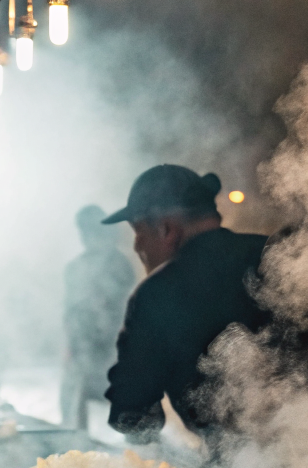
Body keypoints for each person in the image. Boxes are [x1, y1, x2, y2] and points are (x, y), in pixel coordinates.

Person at [103, 165, 271, 445]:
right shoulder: (280, 256)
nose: (136, 246)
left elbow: (133, 416)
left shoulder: (156, 294)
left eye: (137, 231)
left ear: (167, 229)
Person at [60, 204, 137, 430]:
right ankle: (75, 445)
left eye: (90, 230)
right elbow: (70, 311)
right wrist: (68, 348)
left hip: (111, 350)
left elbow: (125, 309)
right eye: (82, 231)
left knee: (123, 413)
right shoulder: (75, 267)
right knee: (73, 408)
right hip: (79, 350)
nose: (86, 237)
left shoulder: (119, 265)